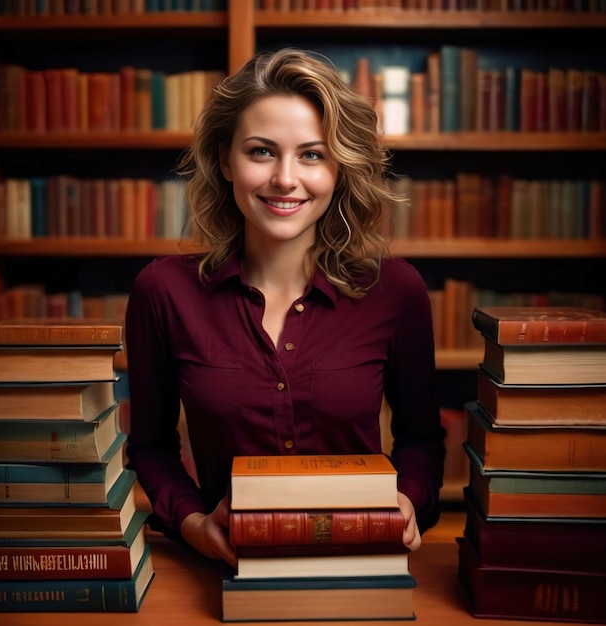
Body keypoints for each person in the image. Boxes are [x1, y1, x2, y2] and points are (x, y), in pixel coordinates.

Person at [125, 48, 445, 569]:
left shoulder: (397, 291)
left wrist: (409, 500)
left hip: (364, 561)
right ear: (225, 160)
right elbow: (152, 448)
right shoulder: (162, 291)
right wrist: (194, 526)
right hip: (225, 568)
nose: (285, 178)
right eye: (261, 152)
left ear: (339, 168)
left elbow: (422, 440)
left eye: (312, 155)